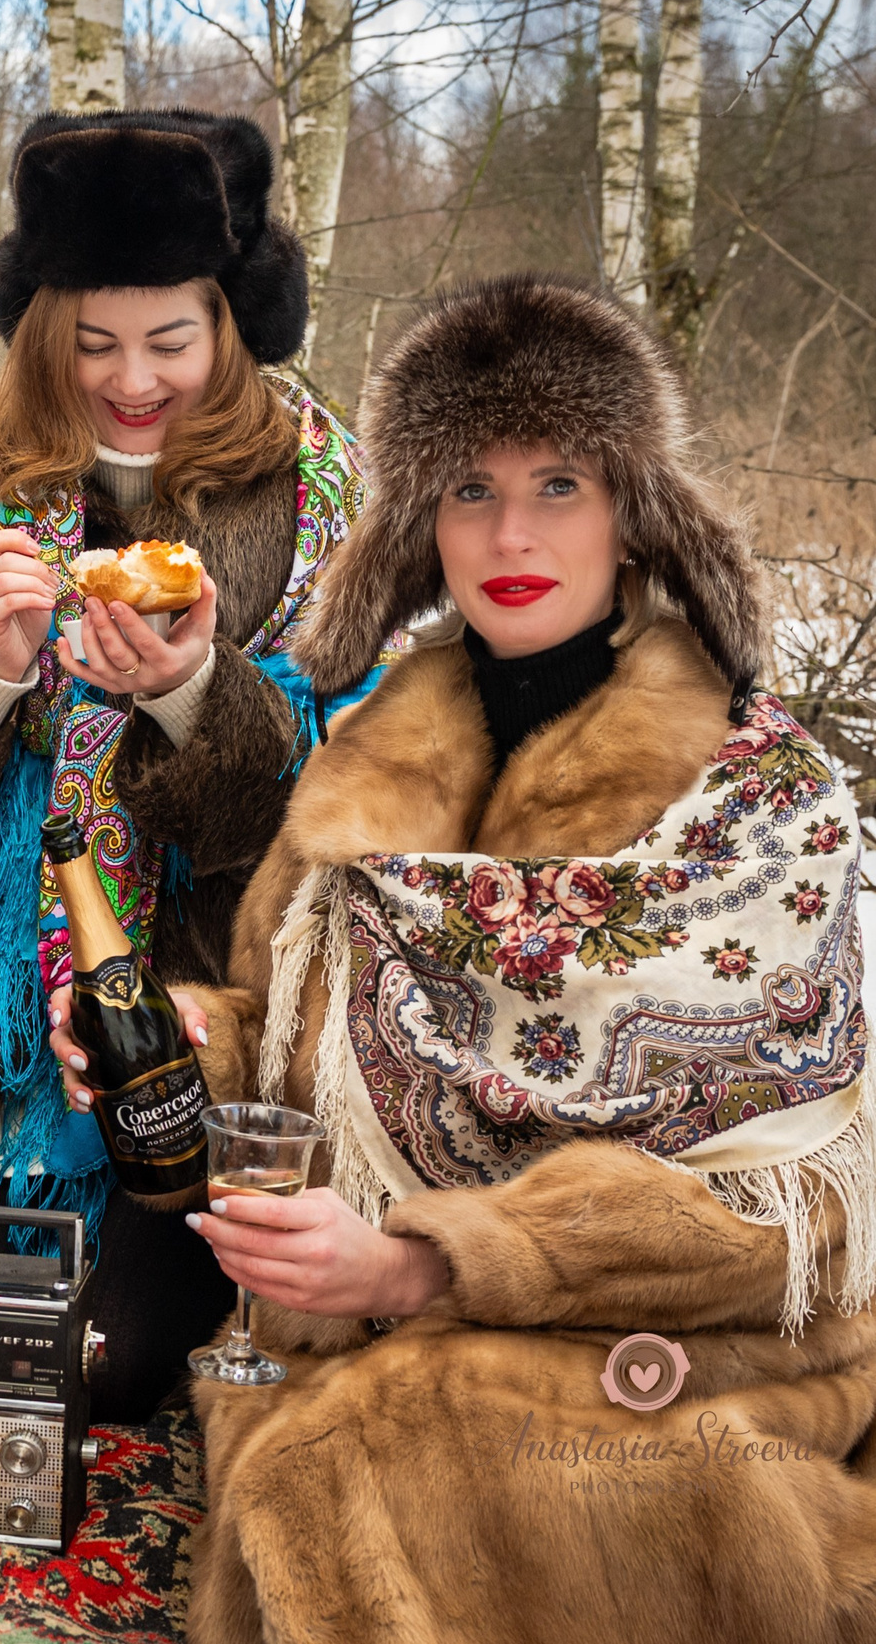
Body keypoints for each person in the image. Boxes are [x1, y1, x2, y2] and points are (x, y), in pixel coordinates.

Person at [148, 274, 876, 1640]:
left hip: (687, 1365)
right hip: (358, 1350)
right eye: (469, 490)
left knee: (366, 1468)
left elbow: (801, 1210)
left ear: (635, 513)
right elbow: (298, 1039)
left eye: (558, 483)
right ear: (421, 529)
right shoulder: (370, 769)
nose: (512, 531)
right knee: (339, 1460)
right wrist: (195, 1046)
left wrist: (433, 1262)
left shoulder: (758, 797)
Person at [0, 109, 380, 1424]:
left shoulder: (318, 490)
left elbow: (338, 794)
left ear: (233, 326)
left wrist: (195, 690)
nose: (131, 380)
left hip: (200, 979)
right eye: (94, 345)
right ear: (45, 339)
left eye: (170, 341)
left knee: (115, 1363)